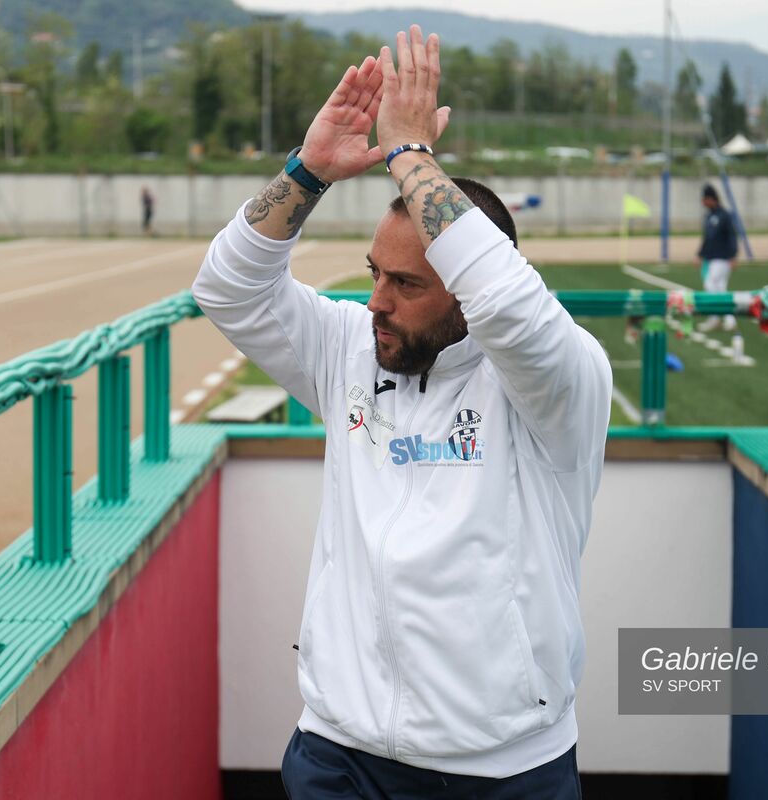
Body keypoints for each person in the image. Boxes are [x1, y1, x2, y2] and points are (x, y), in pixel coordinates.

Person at [192, 25, 610, 798]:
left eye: (407, 284)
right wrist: (310, 169)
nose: (376, 301)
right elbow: (227, 289)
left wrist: (410, 155)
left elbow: (511, 305)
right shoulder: (352, 347)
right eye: (374, 274)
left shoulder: (557, 380)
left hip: (503, 767)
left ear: (465, 291)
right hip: (338, 751)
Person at [695, 183, 738, 331]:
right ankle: (727, 318)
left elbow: (732, 236)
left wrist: (733, 255)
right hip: (711, 258)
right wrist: (700, 255)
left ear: (711, 199)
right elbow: (707, 238)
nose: (702, 203)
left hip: (722, 258)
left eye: (704, 199)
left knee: (710, 284)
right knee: (720, 289)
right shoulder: (709, 216)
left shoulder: (724, 215)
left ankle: (716, 316)